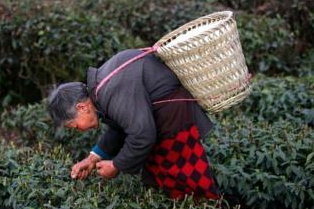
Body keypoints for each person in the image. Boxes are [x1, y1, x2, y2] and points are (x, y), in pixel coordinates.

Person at [48, 49, 219, 199]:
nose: (80, 130)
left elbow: (142, 135)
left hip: (174, 121)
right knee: (160, 183)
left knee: (189, 183)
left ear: (82, 107)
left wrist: (116, 165)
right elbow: (121, 127)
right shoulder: (100, 88)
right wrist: (93, 158)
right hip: (164, 121)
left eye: (75, 126)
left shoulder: (111, 90)